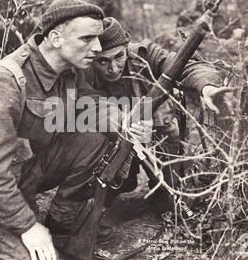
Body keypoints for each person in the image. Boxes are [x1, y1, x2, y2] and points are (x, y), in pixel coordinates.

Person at [0, 0, 115, 260]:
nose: (98, 48)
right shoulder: (5, 81)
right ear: (55, 38)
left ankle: (61, 222)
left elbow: (90, 104)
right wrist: (28, 226)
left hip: (31, 168)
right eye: (87, 38)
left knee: (96, 138)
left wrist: (119, 118)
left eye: (98, 38)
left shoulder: (69, 69)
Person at [83, 17, 231, 213]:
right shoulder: (83, 69)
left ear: (127, 48)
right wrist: (120, 124)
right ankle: (120, 183)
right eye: (103, 61)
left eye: (119, 57)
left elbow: (187, 65)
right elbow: (82, 106)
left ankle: (161, 186)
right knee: (98, 192)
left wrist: (207, 86)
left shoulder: (144, 54)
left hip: (155, 141)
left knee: (172, 204)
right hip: (111, 143)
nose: (113, 68)